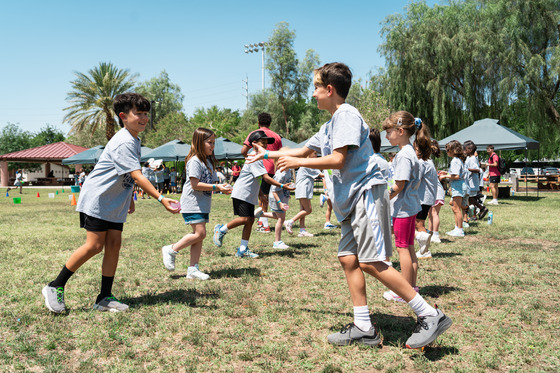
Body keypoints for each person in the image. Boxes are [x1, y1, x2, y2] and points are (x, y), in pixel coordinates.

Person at [247, 62, 451, 349]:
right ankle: (364, 327)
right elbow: (304, 149)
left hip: (365, 193)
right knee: (348, 258)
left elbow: (337, 160)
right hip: (351, 199)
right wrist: (269, 153)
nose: (314, 94)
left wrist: (297, 162)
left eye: (316, 88)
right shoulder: (331, 122)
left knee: (370, 261)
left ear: (329, 90)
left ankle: (429, 314)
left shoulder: (347, 115)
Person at [41, 93, 180, 314]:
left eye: (146, 114)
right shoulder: (124, 141)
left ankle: (104, 297)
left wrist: (129, 199)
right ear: (123, 116)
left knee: (114, 245)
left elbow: (125, 175)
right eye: (139, 114)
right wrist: (161, 198)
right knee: (94, 246)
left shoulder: (134, 139)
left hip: (114, 201)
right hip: (98, 199)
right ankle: (55, 285)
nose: (144, 118)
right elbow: (136, 174)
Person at [161, 128, 232, 280]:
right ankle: (171, 249)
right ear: (199, 143)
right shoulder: (195, 161)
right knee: (201, 233)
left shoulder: (208, 162)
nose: (212, 146)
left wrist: (223, 186)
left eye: (214, 143)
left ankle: (193, 269)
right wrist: (216, 187)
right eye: (209, 142)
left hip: (203, 203)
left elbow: (212, 181)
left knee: (198, 236)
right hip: (192, 203)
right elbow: (195, 184)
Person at [213, 130, 294, 258]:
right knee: (246, 219)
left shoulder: (256, 157)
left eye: (267, 144)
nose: (266, 146)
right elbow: (266, 178)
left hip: (249, 194)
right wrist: (283, 186)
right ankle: (221, 229)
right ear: (254, 144)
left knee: (250, 221)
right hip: (242, 193)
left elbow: (256, 178)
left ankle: (243, 250)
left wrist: (260, 193)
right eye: (263, 143)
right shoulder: (253, 157)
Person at [382, 112, 431, 302]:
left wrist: (383, 198)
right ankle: (412, 287)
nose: (386, 136)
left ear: (400, 131)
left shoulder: (403, 155)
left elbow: (399, 185)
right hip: (410, 207)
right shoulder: (411, 152)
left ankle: (405, 292)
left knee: (402, 248)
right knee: (409, 248)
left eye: (388, 132)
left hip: (402, 209)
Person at [241, 112, 283, 233]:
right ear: (270, 123)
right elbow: (279, 155)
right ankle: (263, 221)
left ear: (258, 123)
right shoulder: (277, 136)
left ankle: (263, 224)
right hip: (272, 170)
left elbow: (244, 150)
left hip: (258, 169)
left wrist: (249, 159)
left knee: (262, 197)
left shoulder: (254, 134)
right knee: (267, 197)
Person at [255, 156, 293, 249]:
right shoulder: (280, 174)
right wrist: (279, 202)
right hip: (276, 198)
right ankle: (277, 242)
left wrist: (287, 193)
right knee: (281, 219)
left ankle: (261, 214)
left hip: (282, 197)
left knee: (278, 216)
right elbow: (274, 190)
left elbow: (284, 186)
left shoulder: (289, 171)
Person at [284, 153, 321, 237]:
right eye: (315, 153)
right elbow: (320, 174)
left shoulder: (306, 163)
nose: (316, 155)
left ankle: (302, 230)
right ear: (308, 155)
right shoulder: (308, 163)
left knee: (303, 210)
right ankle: (290, 221)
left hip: (302, 189)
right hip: (303, 189)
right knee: (308, 210)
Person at [415, 138, 438, 259]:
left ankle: (425, 251)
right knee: (418, 223)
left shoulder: (422, 162)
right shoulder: (429, 161)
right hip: (427, 197)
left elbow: (415, 180)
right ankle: (424, 248)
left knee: (419, 224)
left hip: (423, 198)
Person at [440, 140, 467, 237]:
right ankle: (457, 228)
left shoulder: (455, 161)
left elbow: (456, 176)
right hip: (458, 186)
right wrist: (446, 173)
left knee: (456, 208)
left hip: (458, 186)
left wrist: (444, 177)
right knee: (454, 207)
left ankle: (459, 229)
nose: (446, 152)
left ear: (453, 150)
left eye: (448, 150)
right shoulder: (457, 160)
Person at [427, 140, 445, 244]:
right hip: (433, 192)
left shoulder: (427, 161)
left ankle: (436, 234)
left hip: (436, 192)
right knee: (430, 213)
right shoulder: (430, 161)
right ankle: (430, 233)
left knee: (434, 213)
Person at [464, 142, 488, 220]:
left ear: (470, 150)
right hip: (469, 181)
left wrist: (467, 169)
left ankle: (481, 208)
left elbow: (477, 169)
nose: (464, 151)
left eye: (465, 149)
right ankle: (473, 215)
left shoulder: (473, 158)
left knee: (471, 198)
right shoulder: (469, 158)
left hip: (472, 182)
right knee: (471, 199)